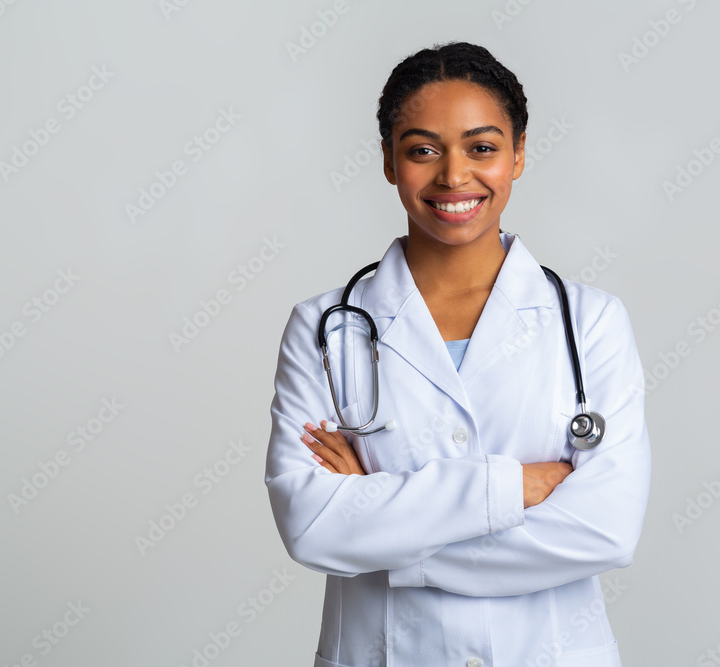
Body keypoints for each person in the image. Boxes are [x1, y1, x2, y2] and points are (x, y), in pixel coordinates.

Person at [265, 41, 651, 667]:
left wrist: (387, 526)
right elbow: (313, 526)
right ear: (390, 162)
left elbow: (604, 529)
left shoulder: (591, 322)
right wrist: (515, 488)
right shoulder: (326, 328)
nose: (452, 176)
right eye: (422, 149)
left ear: (518, 155)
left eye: (482, 147)